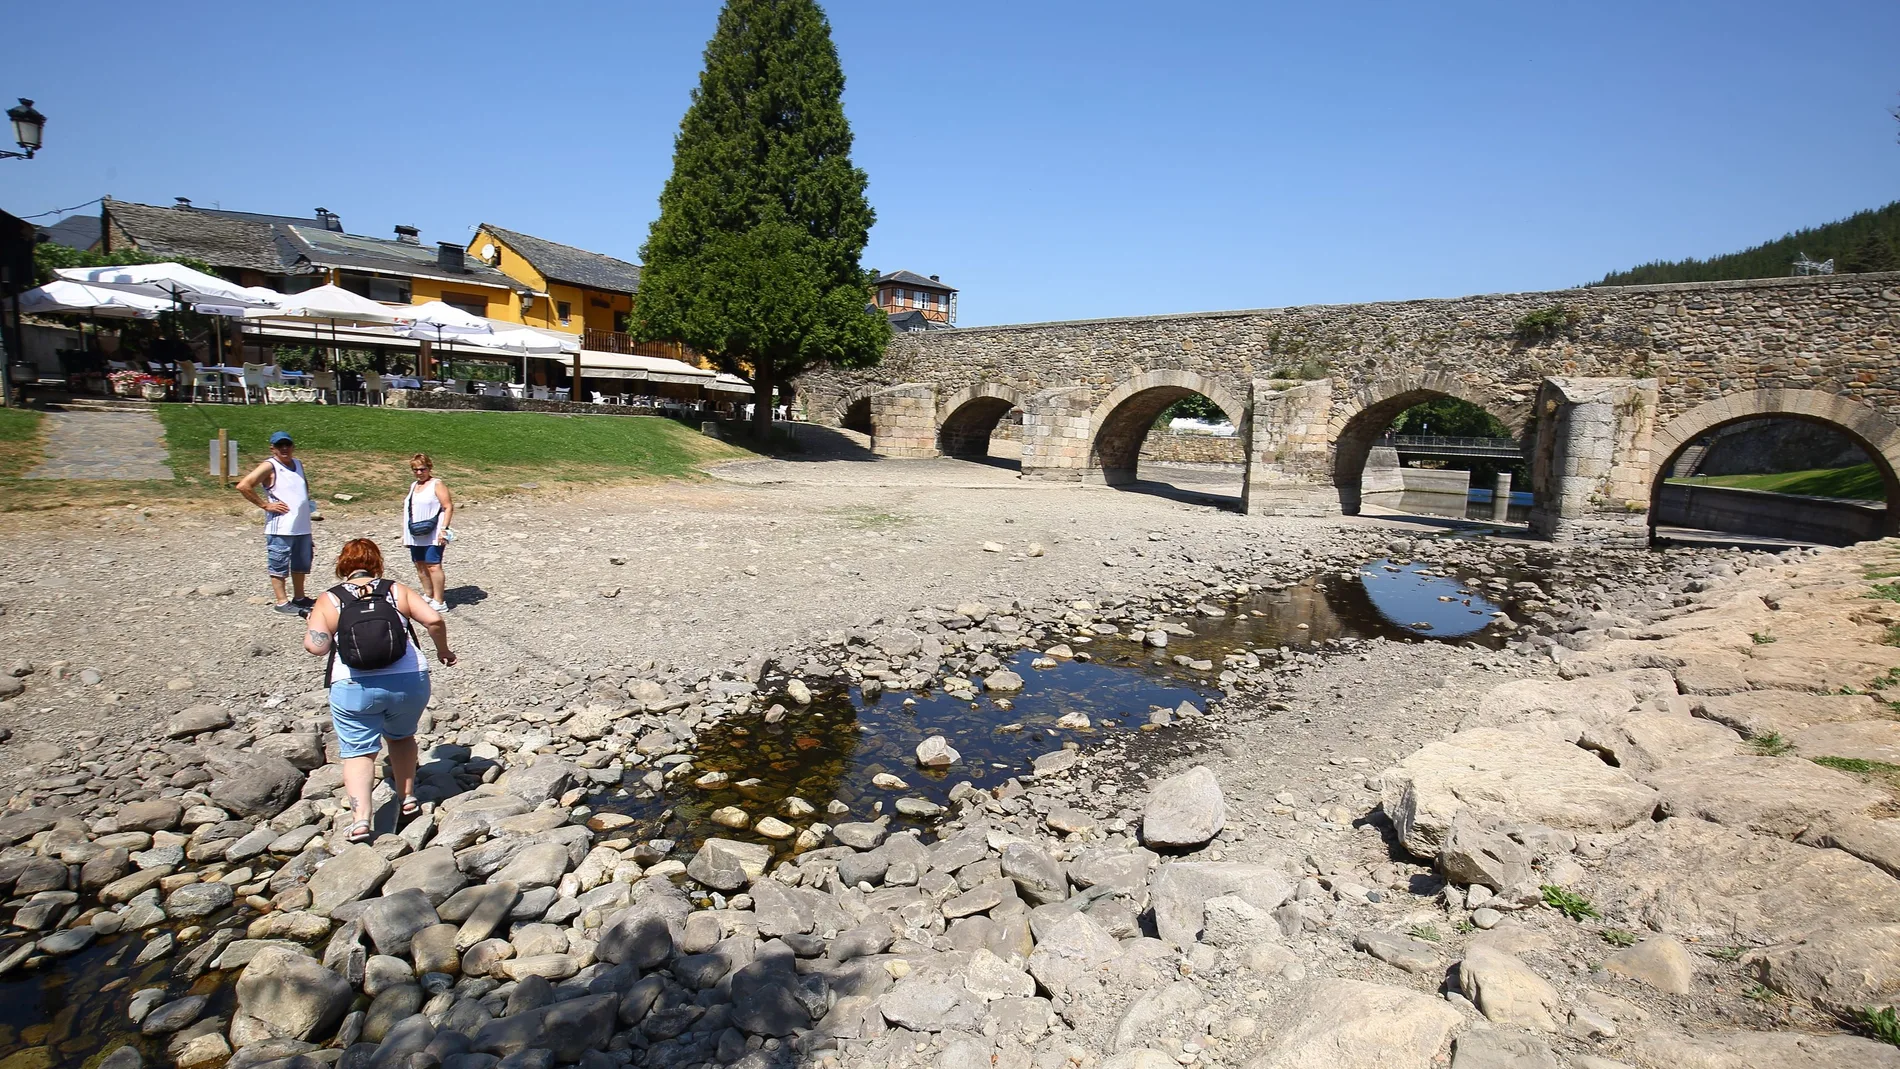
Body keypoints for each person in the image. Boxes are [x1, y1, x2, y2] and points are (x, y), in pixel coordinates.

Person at [302, 538, 456, 843]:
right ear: (377, 564)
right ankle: (408, 797)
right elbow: (434, 619)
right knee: (401, 737)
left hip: (352, 685)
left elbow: (316, 647)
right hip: (408, 681)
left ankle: (361, 820)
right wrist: (443, 651)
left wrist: (313, 624)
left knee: (359, 752)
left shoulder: (329, 598)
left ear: (342, 566)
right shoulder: (396, 590)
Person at [236, 430, 314, 615]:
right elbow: (244, 485)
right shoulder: (269, 466)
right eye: (280, 446)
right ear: (273, 448)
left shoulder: (298, 464)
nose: (284, 448)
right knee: (279, 562)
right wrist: (265, 505)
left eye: (287, 444)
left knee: (301, 563)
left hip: (301, 525)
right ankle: (281, 601)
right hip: (281, 526)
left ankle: (299, 597)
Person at [402, 453, 454, 612]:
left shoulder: (437, 484)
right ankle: (428, 594)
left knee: (433, 564)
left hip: (434, 532)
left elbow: (448, 506)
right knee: (419, 564)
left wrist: (444, 529)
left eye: (422, 469)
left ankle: (439, 600)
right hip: (416, 532)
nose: (419, 473)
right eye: (415, 470)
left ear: (429, 468)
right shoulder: (413, 486)